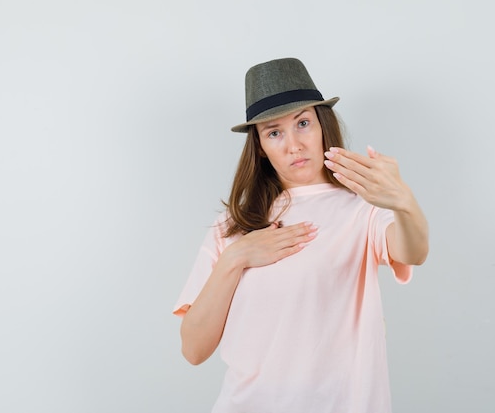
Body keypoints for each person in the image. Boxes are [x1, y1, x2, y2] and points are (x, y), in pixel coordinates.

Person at [173, 58, 429, 413]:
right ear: (260, 146)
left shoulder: (363, 208)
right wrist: (235, 258)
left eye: (303, 123)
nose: (293, 144)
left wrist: (405, 204)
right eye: (274, 132)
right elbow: (193, 350)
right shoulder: (233, 225)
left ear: (322, 125)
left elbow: (413, 251)